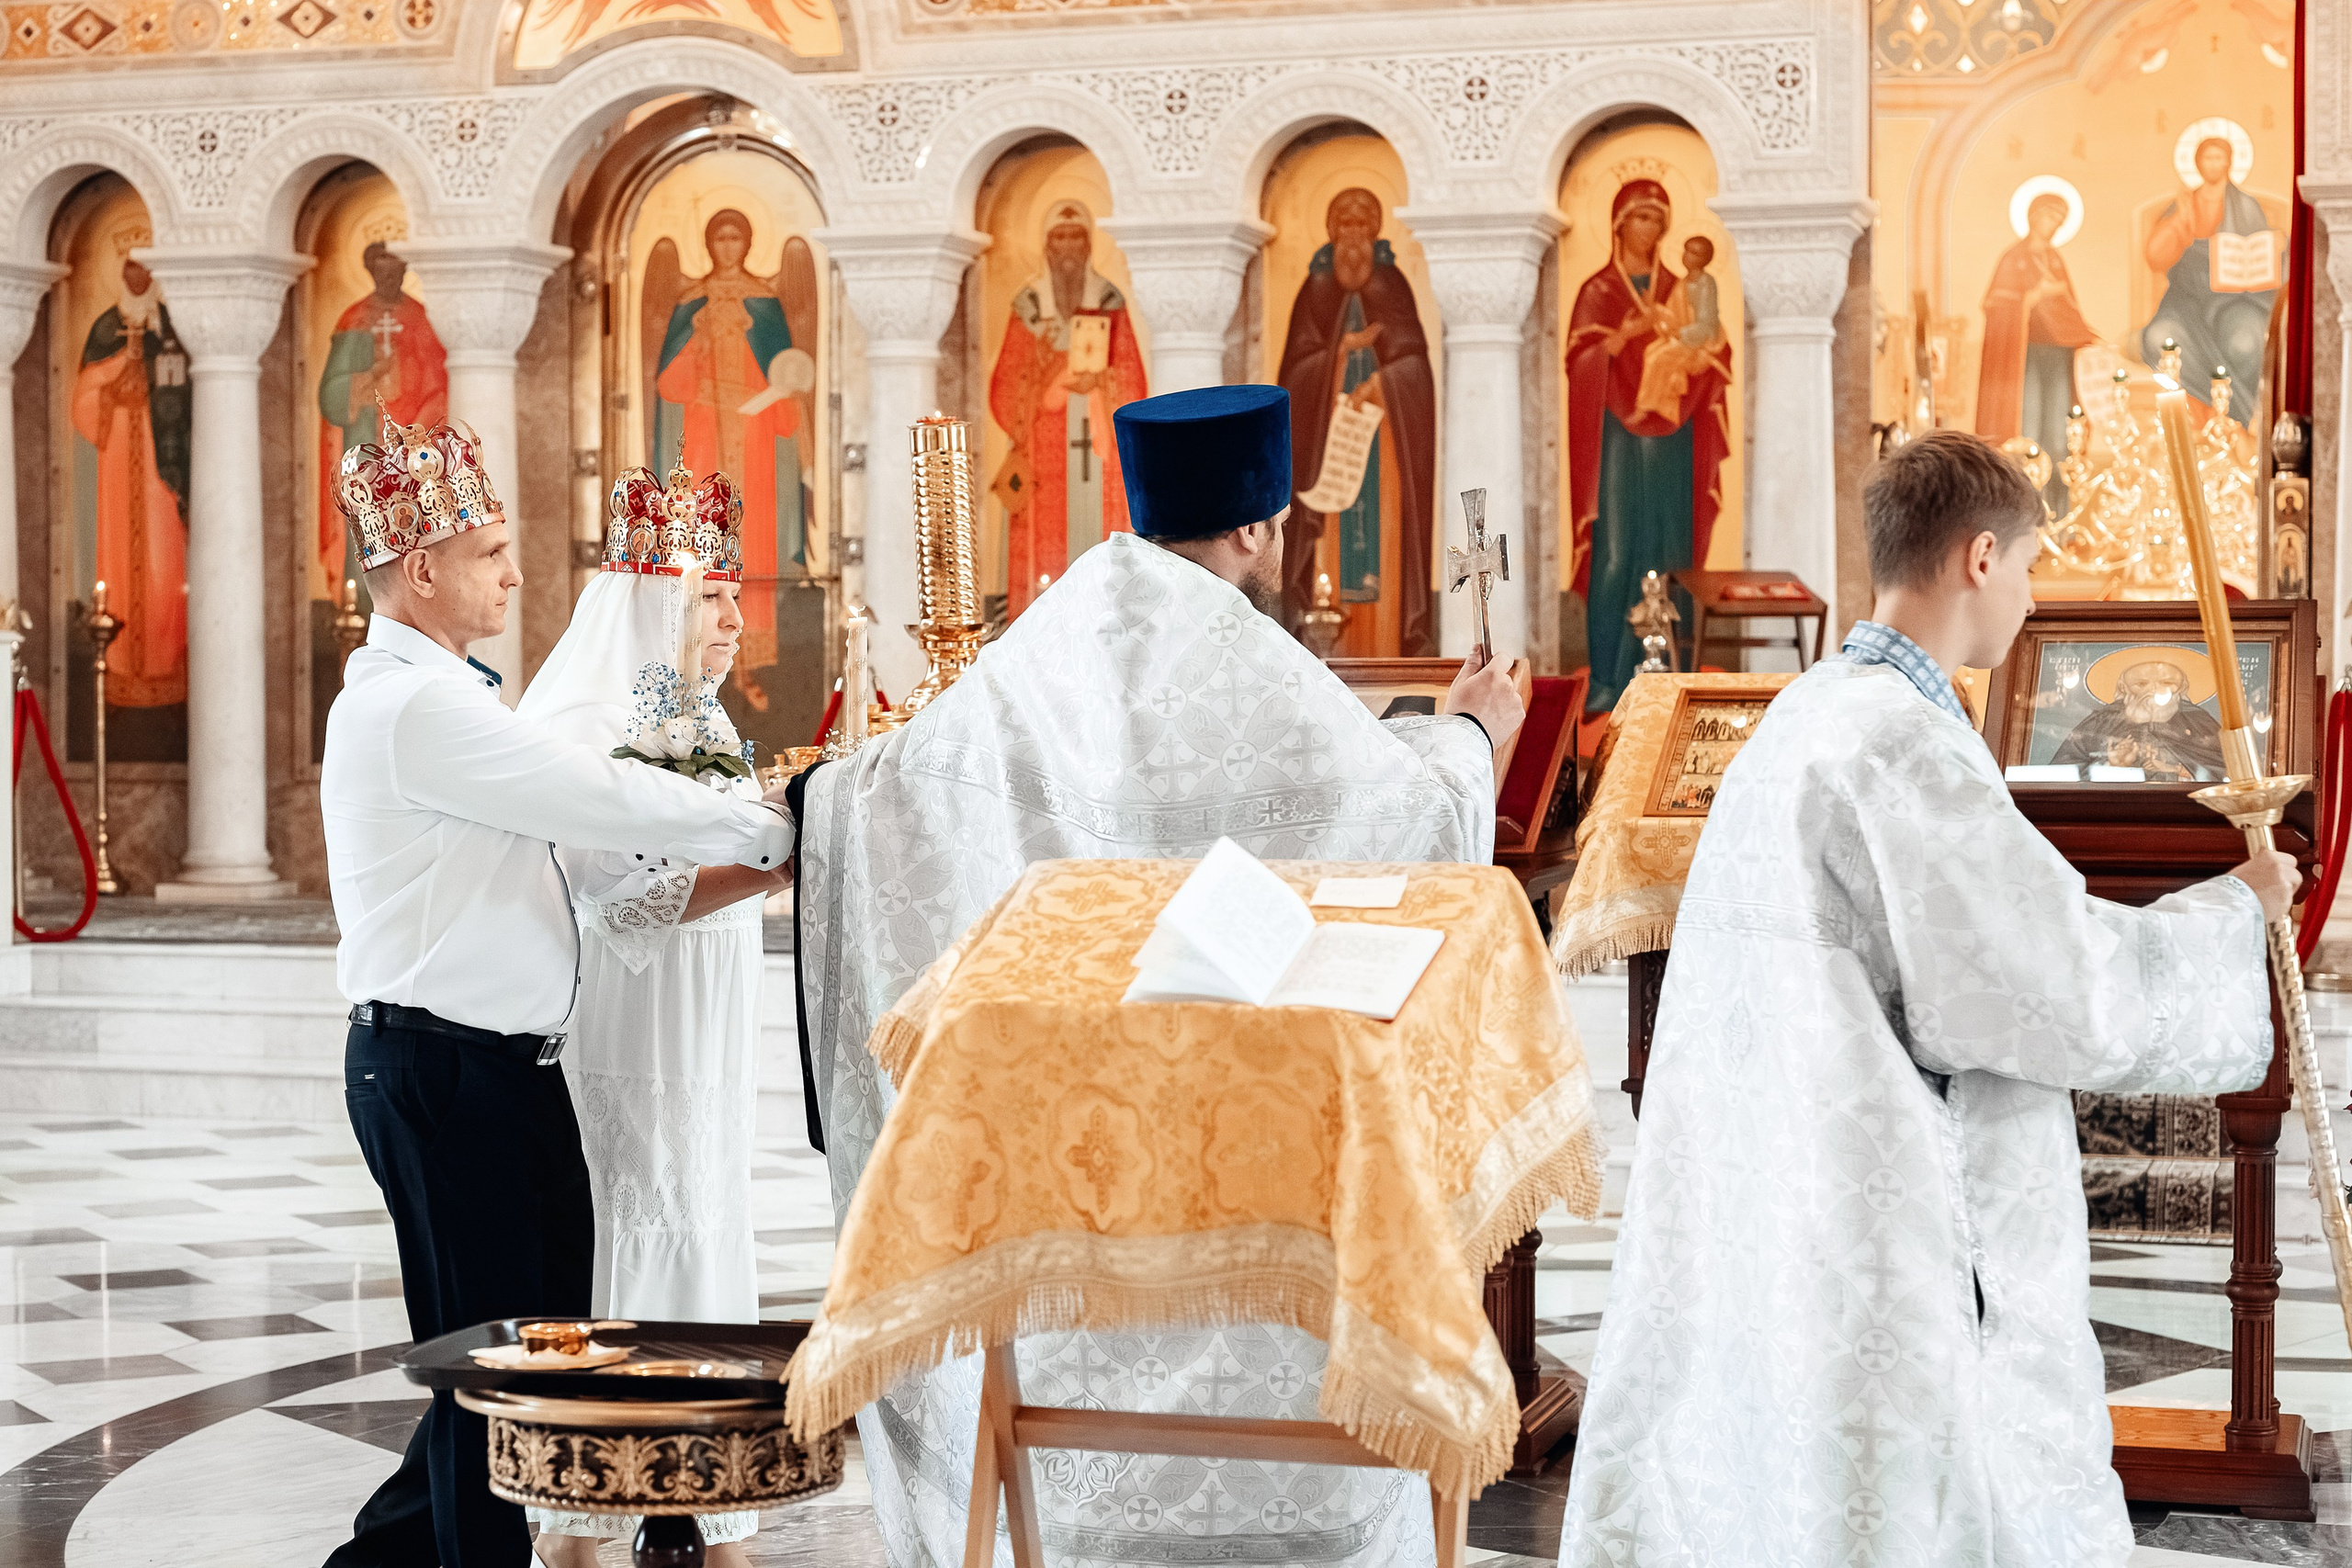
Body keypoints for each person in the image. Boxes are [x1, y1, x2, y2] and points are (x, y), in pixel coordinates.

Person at [787, 383, 1523, 1567]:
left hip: (1072, 1148)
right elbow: (1408, 819)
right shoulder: (1258, 666)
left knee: (1073, 1339)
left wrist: (812, 806)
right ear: (1256, 528)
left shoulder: (1050, 640)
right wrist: (1473, 733)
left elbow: (882, 795)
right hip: (1252, 1136)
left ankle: (1068, 1506)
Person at [1558, 429, 2293, 1566]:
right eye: (2031, 567)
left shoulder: (1802, 714)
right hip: (1888, 1209)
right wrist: (2235, 910)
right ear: (1980, 557)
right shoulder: (1902, 745)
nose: (2031, 599)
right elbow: (2051, 982)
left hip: (1787, 1176)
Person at [320, 413, 800, 1568]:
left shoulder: (449, 695)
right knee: (496, 1392)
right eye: (490, 552)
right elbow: (605, 802)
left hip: (499, 1069)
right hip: (443, 1065)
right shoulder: (417, 708)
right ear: (420, 568)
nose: (516, 573)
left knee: (520, 1369)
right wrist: (781, 827)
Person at [514, 463, 786, 1567]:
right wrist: (777, 862)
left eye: (732, 594)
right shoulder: (588, 715)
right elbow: (615, 895)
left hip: (702, 1027)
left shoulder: (695, 711)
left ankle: (704, 1498)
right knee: (640, 1219)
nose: (734, 618)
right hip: (634, 1027)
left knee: (701, 1214)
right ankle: (582, 1522)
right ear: (649, 601)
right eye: (711, 596)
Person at [1566, 179, 1732, 716]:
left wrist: (1703, 354)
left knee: (1670, 545)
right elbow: (1581, 361)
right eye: (1642, 218)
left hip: (1673, 434)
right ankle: (1605, 678)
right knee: (1616, 549)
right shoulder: (1598, 291)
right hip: (1616, 435)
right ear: (1619, 225)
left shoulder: (1682, 286)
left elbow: (1713, 341)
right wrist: (1621, 337)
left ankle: (1670, 670)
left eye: (1659, 220)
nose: (1652, 229)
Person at [1276, 186, 1439, 654]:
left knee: (1383, 538)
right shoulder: (1315, 290)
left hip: (1384, 444)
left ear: (1374, 233)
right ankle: (1327, 649)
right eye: (1344, 226)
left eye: (1361, 227)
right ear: (1332, 232)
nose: (1353, 238)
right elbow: (1294, 373)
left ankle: (1387, 645)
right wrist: (1339, 352)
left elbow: (1415, 366)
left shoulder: (1394, 286)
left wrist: (1383, 383)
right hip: (1330, 445)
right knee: (1332, 533)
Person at [988, 197, 1149, 619]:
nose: (1068, 250)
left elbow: (1132, 381)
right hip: (1042, 459)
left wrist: (1101, 384)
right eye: (1058, 238)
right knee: (1045, 547)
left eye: (1076, 238)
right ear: (1045, 246)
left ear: (1089, 244)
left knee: (1097, 537)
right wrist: (1048, 390)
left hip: (1099, 454)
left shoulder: (1110, 302)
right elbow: (1005, 386)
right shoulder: (1028, 307)